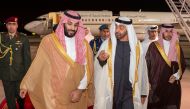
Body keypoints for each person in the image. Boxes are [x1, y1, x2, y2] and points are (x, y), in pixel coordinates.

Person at [19, 10, 94, 109]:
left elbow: (87, 70)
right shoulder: (49, 41)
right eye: (69, 24)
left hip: (76, 95)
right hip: (55, 95)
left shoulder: (84, 45)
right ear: (63, 22)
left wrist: (80, 90)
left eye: (76, 25)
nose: (72, 28)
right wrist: (25, 85)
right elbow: (37, 65)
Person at [94, 17, 149, 109]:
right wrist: (100, 60)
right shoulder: (107, 45)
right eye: (116, 27)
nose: (117, 30)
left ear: (128, 29)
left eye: (121, 28)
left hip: (130, 93)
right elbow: (97, 67)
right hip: (111, 92)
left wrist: (143, 92)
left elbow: (142, 69)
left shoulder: (137, 47)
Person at [146, 24, 186, 109]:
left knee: (172, 105)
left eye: (171, 31)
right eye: (166, 31)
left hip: (172, 84)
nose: (169, 34)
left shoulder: (177, 46)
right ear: (162, 32)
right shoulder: (154, 46)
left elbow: (182, 64)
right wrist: (147, 82)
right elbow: (147, 64)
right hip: (157, 84)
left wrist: (176, 76)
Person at [0, 17, 31, 109]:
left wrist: (27, 75)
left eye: (14, 24)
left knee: (20, 96)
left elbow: (27, 59)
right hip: (6, 74)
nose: (11, 27)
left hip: (19, 74)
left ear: (17, 25)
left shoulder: (23, 38)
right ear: (6, 25)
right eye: (9, 24)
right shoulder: (1, 37)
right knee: (10, 98)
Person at [141, 25, 158, 109]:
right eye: (152, 31)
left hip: (158, 74)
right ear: (148, 32)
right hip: (146, 74)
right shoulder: (143, 44)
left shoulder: (160, 43)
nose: (154, 33)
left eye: (155, 31)